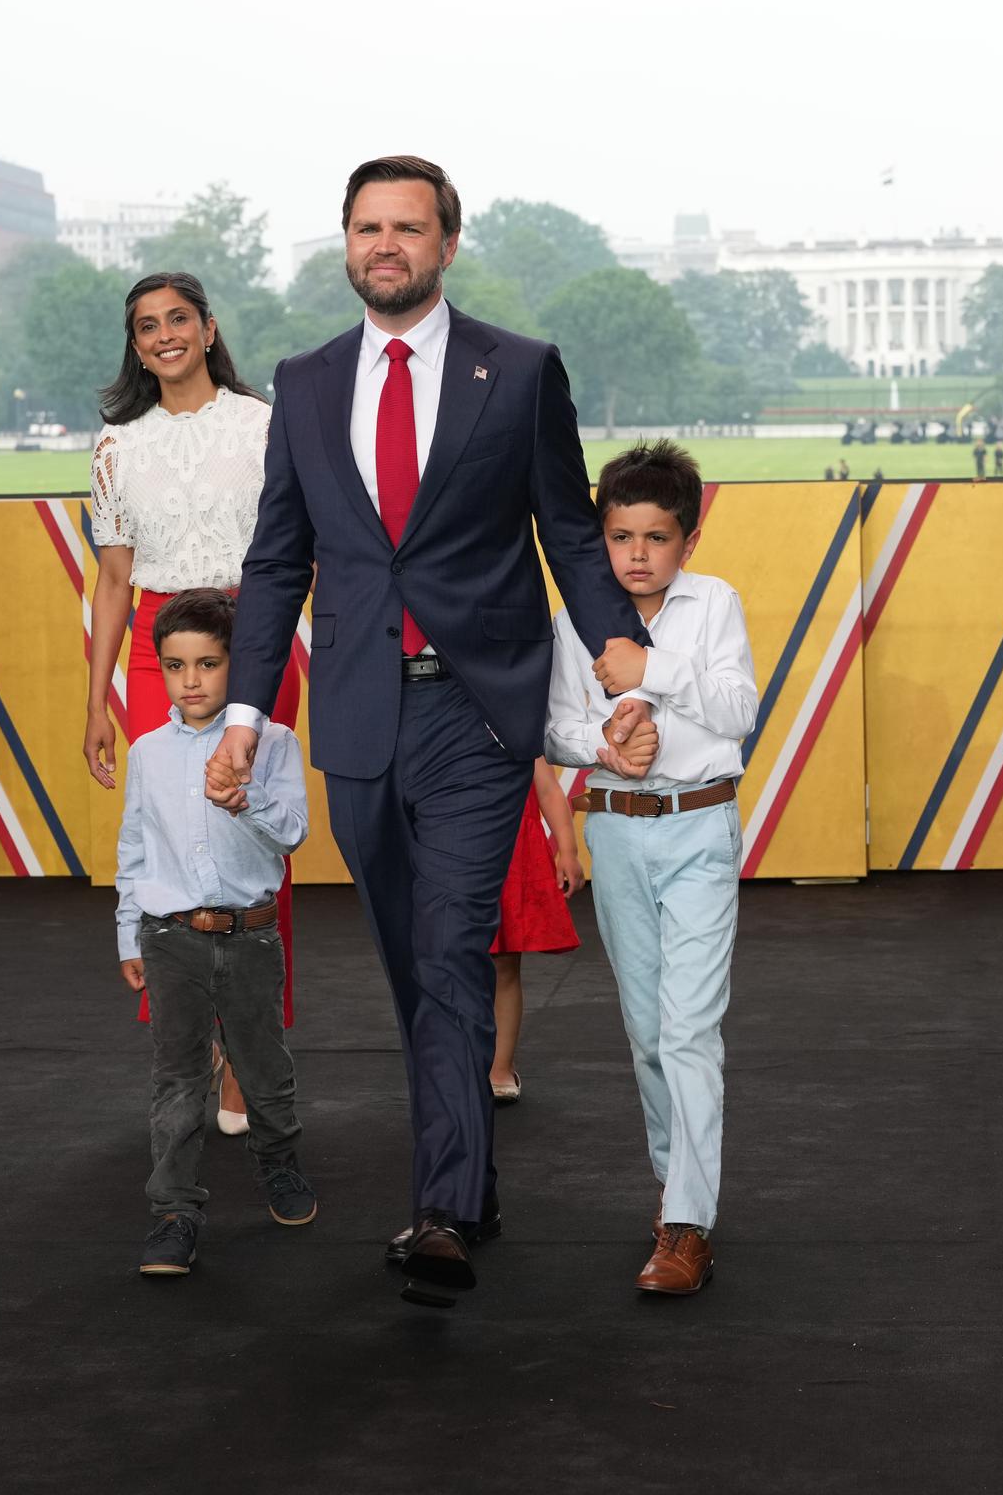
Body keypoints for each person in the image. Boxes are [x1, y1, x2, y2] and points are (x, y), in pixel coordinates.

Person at [212, 155, 657, 1305]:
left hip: (476, 706)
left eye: (409, 227)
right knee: (418, 960)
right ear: (347, 244)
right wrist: (249, 715)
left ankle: (444, 1208)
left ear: (447, 244)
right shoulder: (302, 383)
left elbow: (567, 528)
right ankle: (473, 1174)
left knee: (455, 942)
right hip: (359, 714)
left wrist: (615, 650)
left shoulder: (519, 371)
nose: (387, 246)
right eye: (368, 228)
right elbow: (274, 560)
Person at [83, 271, 297, 1137]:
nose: (165, 335)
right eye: (146, 326)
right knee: (172, 840)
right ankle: (192, 1047)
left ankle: (249, 1051)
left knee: (248, 834)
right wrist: (94, 699)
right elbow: (111, 581)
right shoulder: (113, 444)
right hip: (151, 648)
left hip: (253, 637)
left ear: (209, 330)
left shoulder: (264, 427)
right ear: (135, 346)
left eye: (179, 320)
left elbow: (296, 550)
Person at [548, 440, 759, 1295]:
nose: (637, 555)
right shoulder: (573, 618)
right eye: (621, 536)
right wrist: (601, 743)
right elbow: (554, 725)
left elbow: (737, 709)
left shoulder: (714, 606)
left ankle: (686, 1226)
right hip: (619, 832)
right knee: (646, 1036)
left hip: (701, 828)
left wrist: (650, 673)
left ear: (689, 540)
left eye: (657, 538)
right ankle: (676, 1190)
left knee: (688, 1030)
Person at [119, 590, 317, 1277]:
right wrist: (127, 936)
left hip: (251, 935)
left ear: (239, 666)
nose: (191, 681)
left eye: (207, 664)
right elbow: (134, 849)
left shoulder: (275, 743)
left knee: (264, 1067)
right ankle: (173, 1211)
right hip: (170, 937)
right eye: (175, 667)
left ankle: (278, 1162)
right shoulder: (147, 752)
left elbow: (293, 833)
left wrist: (246, 797)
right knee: (176, 1077)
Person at [490, 758, 585, 1104]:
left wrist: (568, 850)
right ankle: (458, 1061)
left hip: (513, 851)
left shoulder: (516, 726)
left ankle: (500, 1066)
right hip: (460, 846)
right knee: (454, 965)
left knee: (504, 964)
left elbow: (547, 789)